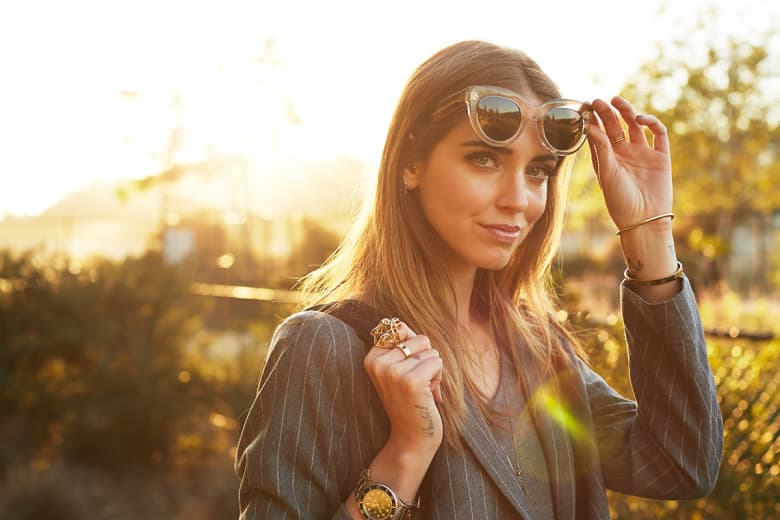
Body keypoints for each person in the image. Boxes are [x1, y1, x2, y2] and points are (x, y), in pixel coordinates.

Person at [235, 40, 723, 519]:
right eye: (484, 159)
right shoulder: (324, 347)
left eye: (538, 171)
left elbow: (679, 464)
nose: (519, 199)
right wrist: (404, 455)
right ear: (411, 163)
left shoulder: (537, 348)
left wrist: (648, 233)